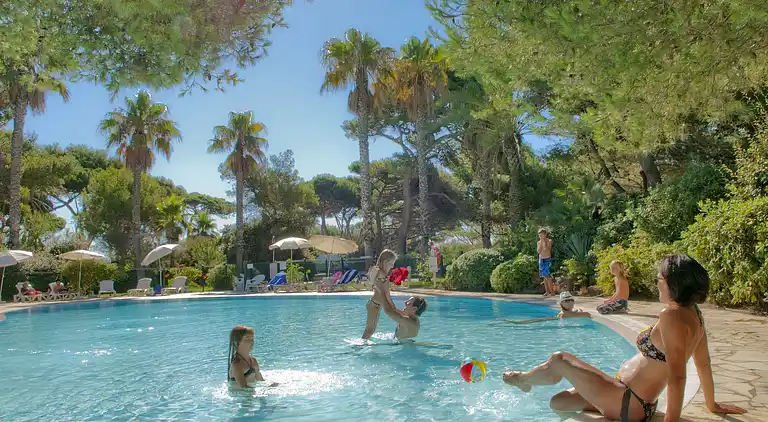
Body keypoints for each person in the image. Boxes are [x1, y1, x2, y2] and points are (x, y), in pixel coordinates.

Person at [501, 254, 746, 421]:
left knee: (559, 359)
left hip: (627, 400)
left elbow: (678, 377)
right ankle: (530, 381)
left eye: (659, 279)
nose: (656, 283)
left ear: (673, 284)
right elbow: (703, 364)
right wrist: (712, 405)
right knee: (560, 402)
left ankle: (524, 379)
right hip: (632, 400)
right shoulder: (695, 315)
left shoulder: (671, 316)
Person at [362, 249, 398, 340]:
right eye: (391, 263)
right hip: (373, 304)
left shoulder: (385, 274)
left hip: (376, 305)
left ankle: (363, 343)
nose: (393, 266)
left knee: (371, 329)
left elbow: (387, 293)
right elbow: (371, 283)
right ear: (385, 262)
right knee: (370, 329)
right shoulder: (378, 271)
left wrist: (392, 304)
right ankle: (360, 345)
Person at [501, 292, 590, 324]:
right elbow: (587, 315)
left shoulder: (565, 314)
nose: (570, 303)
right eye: (567, 301)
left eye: (571, 300)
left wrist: (576, 311)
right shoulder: (563, 315)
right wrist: (578, 312)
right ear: (561, 304)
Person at [537, 228, 555, 297]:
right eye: (539, 235)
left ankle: (552, 292)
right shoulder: (538, 242)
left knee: (548, 276)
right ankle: (547, 292)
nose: (540, 236)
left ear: (545, 234)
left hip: (547, 259)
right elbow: (538, 251)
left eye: (542, 235)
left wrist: (544, 242)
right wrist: (541, 242)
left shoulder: (549, 241)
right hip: (541, 259)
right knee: (544, 276)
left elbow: (547, 250)